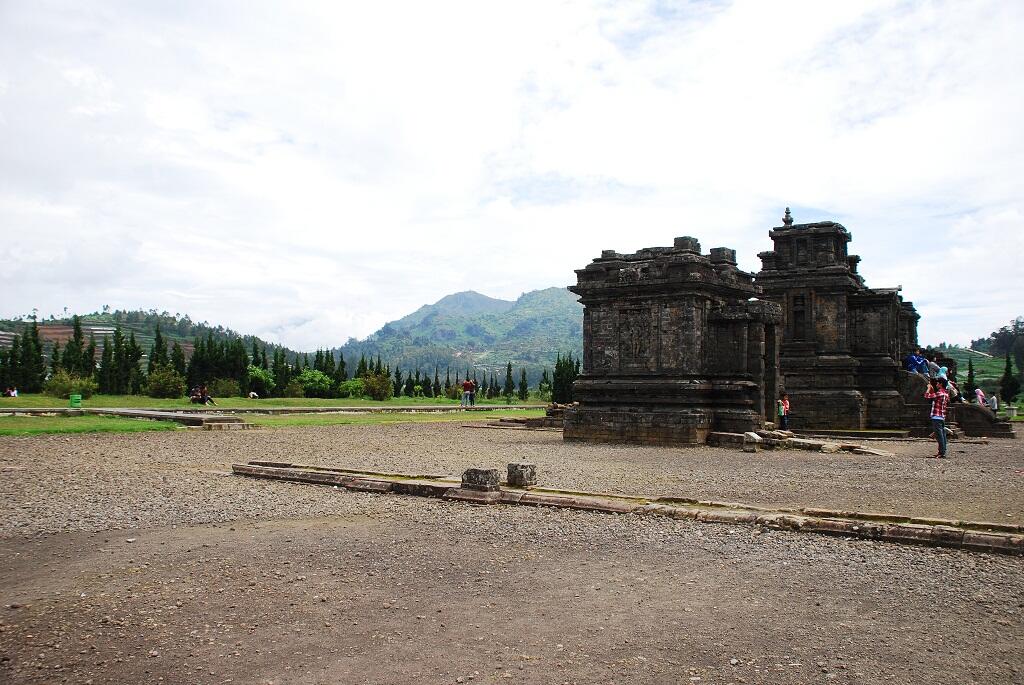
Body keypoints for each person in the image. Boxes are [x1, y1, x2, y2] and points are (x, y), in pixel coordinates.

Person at [924, 377, 950, 458]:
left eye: (938, 383)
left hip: (936, 417)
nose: (936, 384)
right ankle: (942, 451)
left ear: (941, 384)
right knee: (942, 435)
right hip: (941, 417)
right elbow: (934, 397)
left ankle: (941, 453)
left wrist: (928, 388)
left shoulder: (940, 393)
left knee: (939, 436)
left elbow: (927, 396)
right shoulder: (945, 394)